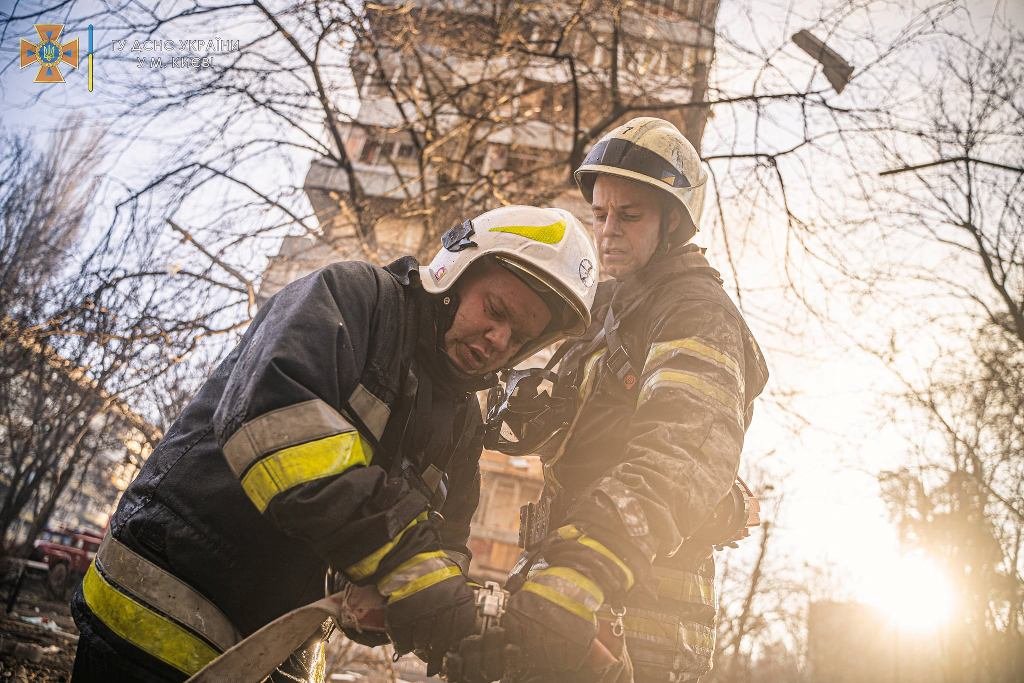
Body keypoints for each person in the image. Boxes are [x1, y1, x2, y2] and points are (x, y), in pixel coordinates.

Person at [69, 205, 599, 682]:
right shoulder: (356, 298)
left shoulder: (461, 424)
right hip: (167, 604)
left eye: (520, 337)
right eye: (496, 311)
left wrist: (445, 621)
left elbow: (443, 550)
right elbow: (275, 422)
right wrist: (408, 570)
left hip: (276, 645)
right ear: (455, 273)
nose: (499, 340)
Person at [468, 117, 769, 683]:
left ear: (673, 222)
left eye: (629, 216)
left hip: (642, 611)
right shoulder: (604, 309)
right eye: (600, 214)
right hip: (565, 586)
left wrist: (582, 571)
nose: (608, 231)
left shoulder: (696, 312)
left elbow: (682, 451)